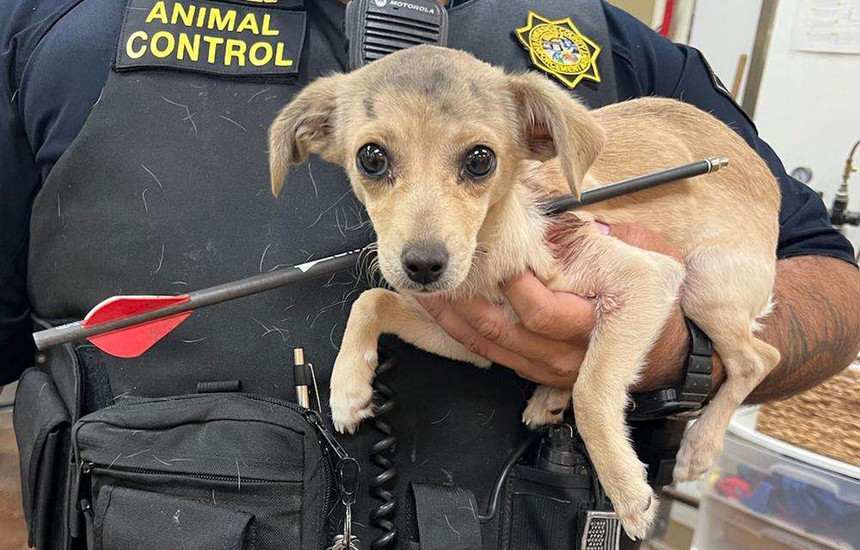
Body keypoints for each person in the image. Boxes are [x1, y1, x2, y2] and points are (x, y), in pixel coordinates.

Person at [1, 0, 858, 548]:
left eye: (476, 163)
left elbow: (831, 275)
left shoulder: (607, 43)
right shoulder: (55, 32)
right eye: (374, 160)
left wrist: (679, 351)